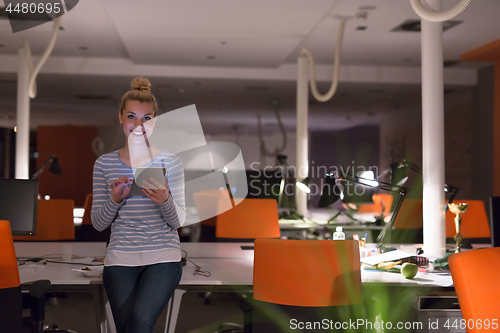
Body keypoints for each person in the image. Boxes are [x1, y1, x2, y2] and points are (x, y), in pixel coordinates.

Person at [91, 77, 185, 333]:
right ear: (120, 117)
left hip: (163, 256)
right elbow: (99, 224)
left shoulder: (171, 162)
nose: (138, 125)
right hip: (120, 256)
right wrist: (115, 199)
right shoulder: (104, 164)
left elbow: (178, 222)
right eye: (132, 116)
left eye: (147, 118)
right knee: (127, 328)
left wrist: (164, 199)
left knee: (141, 321)